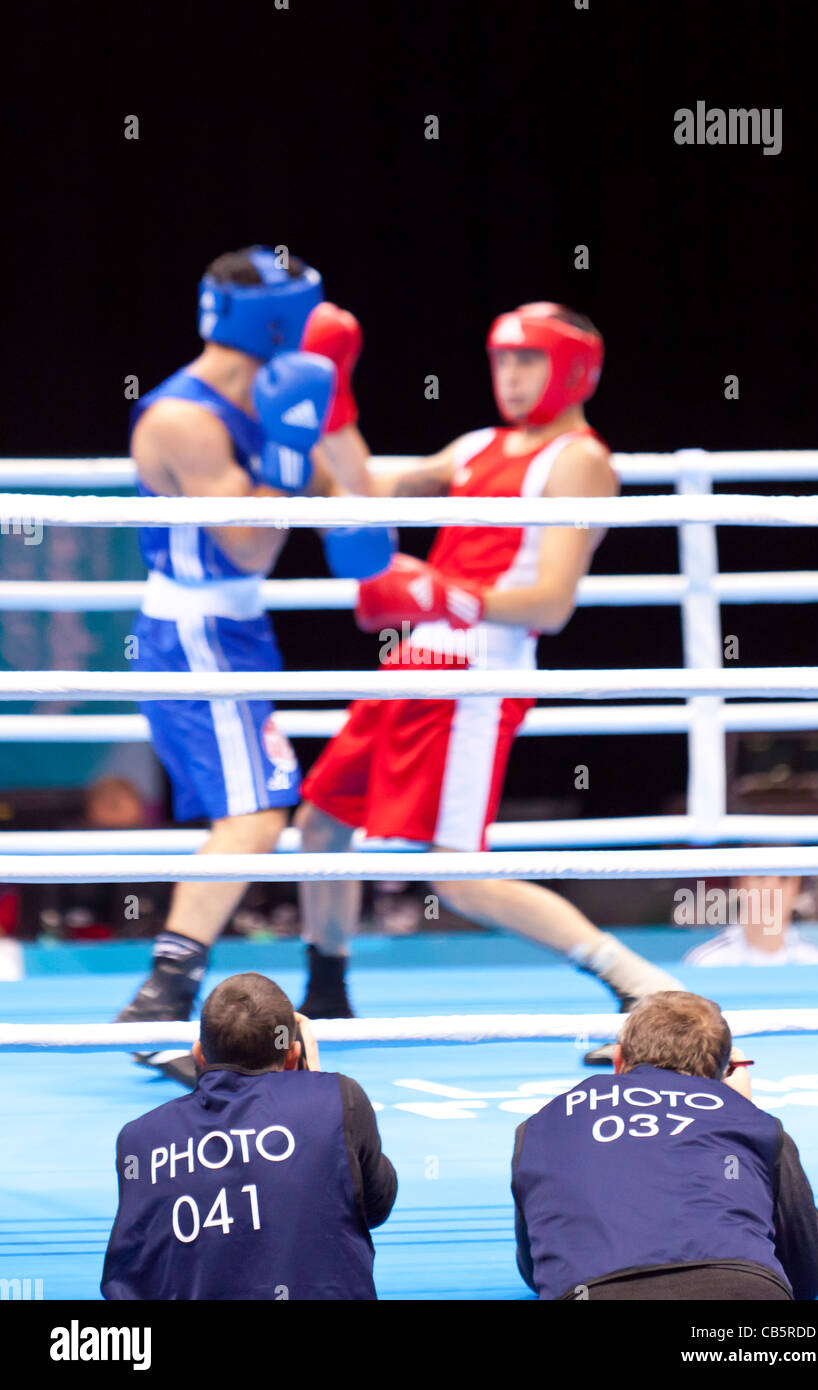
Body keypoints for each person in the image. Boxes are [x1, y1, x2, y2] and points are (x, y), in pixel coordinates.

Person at [295, 302, 684, 1062]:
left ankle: (645, 990)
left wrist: (444, 595)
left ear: (572, 369)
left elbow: (554, 602)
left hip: (478, 673)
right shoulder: (475, 445)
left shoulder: (579, 460)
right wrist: (330, 398)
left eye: (527, 360)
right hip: (412, 664)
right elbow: (359, 483)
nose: (508, 376)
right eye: (501, 359)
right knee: (320, 822)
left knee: (461, 880)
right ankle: (327, 998)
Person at [114, 246, 390, 1071]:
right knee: (257, 816)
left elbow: (360, 498)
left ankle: (325, 985)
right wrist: (287, 450)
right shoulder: (182, 419)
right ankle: (163, 990)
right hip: (197, 632)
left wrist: (327, 421)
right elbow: (246, 549)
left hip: (237, 633)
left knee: (284, 808)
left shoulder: (290, 384)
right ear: (273, 320)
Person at [511, 990, 818, 1300]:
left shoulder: (540, 1125)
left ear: (618, 1058)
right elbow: (808, 1271)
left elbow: (535, 1266)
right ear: (725, 1070)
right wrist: (739, 1110)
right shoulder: (754, 1122)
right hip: (741, 1289)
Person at [101, 972, 397, 1300]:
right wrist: (313, 1080)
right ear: (291, 1056)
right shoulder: (338, 1098)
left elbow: (128, 1278)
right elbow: (376, 1205)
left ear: (199, 1055)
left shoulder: (140, 1138)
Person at [682, 872, 818, 965]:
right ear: (739, 884)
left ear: (797, 890)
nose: (771, 889)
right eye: (761, 876)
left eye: (784, 878)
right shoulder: (706, 962)